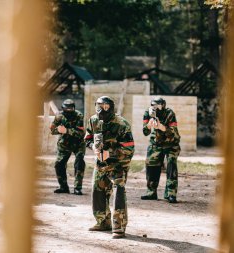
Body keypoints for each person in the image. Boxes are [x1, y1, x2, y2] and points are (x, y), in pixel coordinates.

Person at [84, 96, 134, 239]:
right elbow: (87, 138)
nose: (102, 110)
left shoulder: (121, 123)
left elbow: (129, 148)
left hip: (119, 164)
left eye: (106, 107)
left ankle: (119, 227)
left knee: (119, 192)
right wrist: (93, 146)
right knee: (98, 190)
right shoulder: (93, 120)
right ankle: (103, 222)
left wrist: (110, 153)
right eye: (99, 106)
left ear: (111, 107)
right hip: (101, 163)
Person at [140, 97, 181, 203]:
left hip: (171, 143)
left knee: (171, 166)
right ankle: (151, 192)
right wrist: (149, 125)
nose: (156, 108)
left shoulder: (169, 113)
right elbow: (145, 132)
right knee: (151, 165)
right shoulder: (148, 113)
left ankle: (171, 194)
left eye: (159, 105)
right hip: (156, 142)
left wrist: (161, 127)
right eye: (154, 105)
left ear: (163, 105)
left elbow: (173, 132)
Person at [50, 99, 86, 195]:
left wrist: (67, 131)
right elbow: (52, 130)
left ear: (74, 108)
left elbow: (81, 133)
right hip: (64, 144)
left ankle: (77, 188)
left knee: (79, 162)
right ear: (63, 108)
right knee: (59, 164)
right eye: (67, 109)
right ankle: (63, 187)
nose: (69, 111)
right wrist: (58, 130)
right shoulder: (59, 116)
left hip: (78, 144)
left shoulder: (79, 116)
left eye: (71, 109)